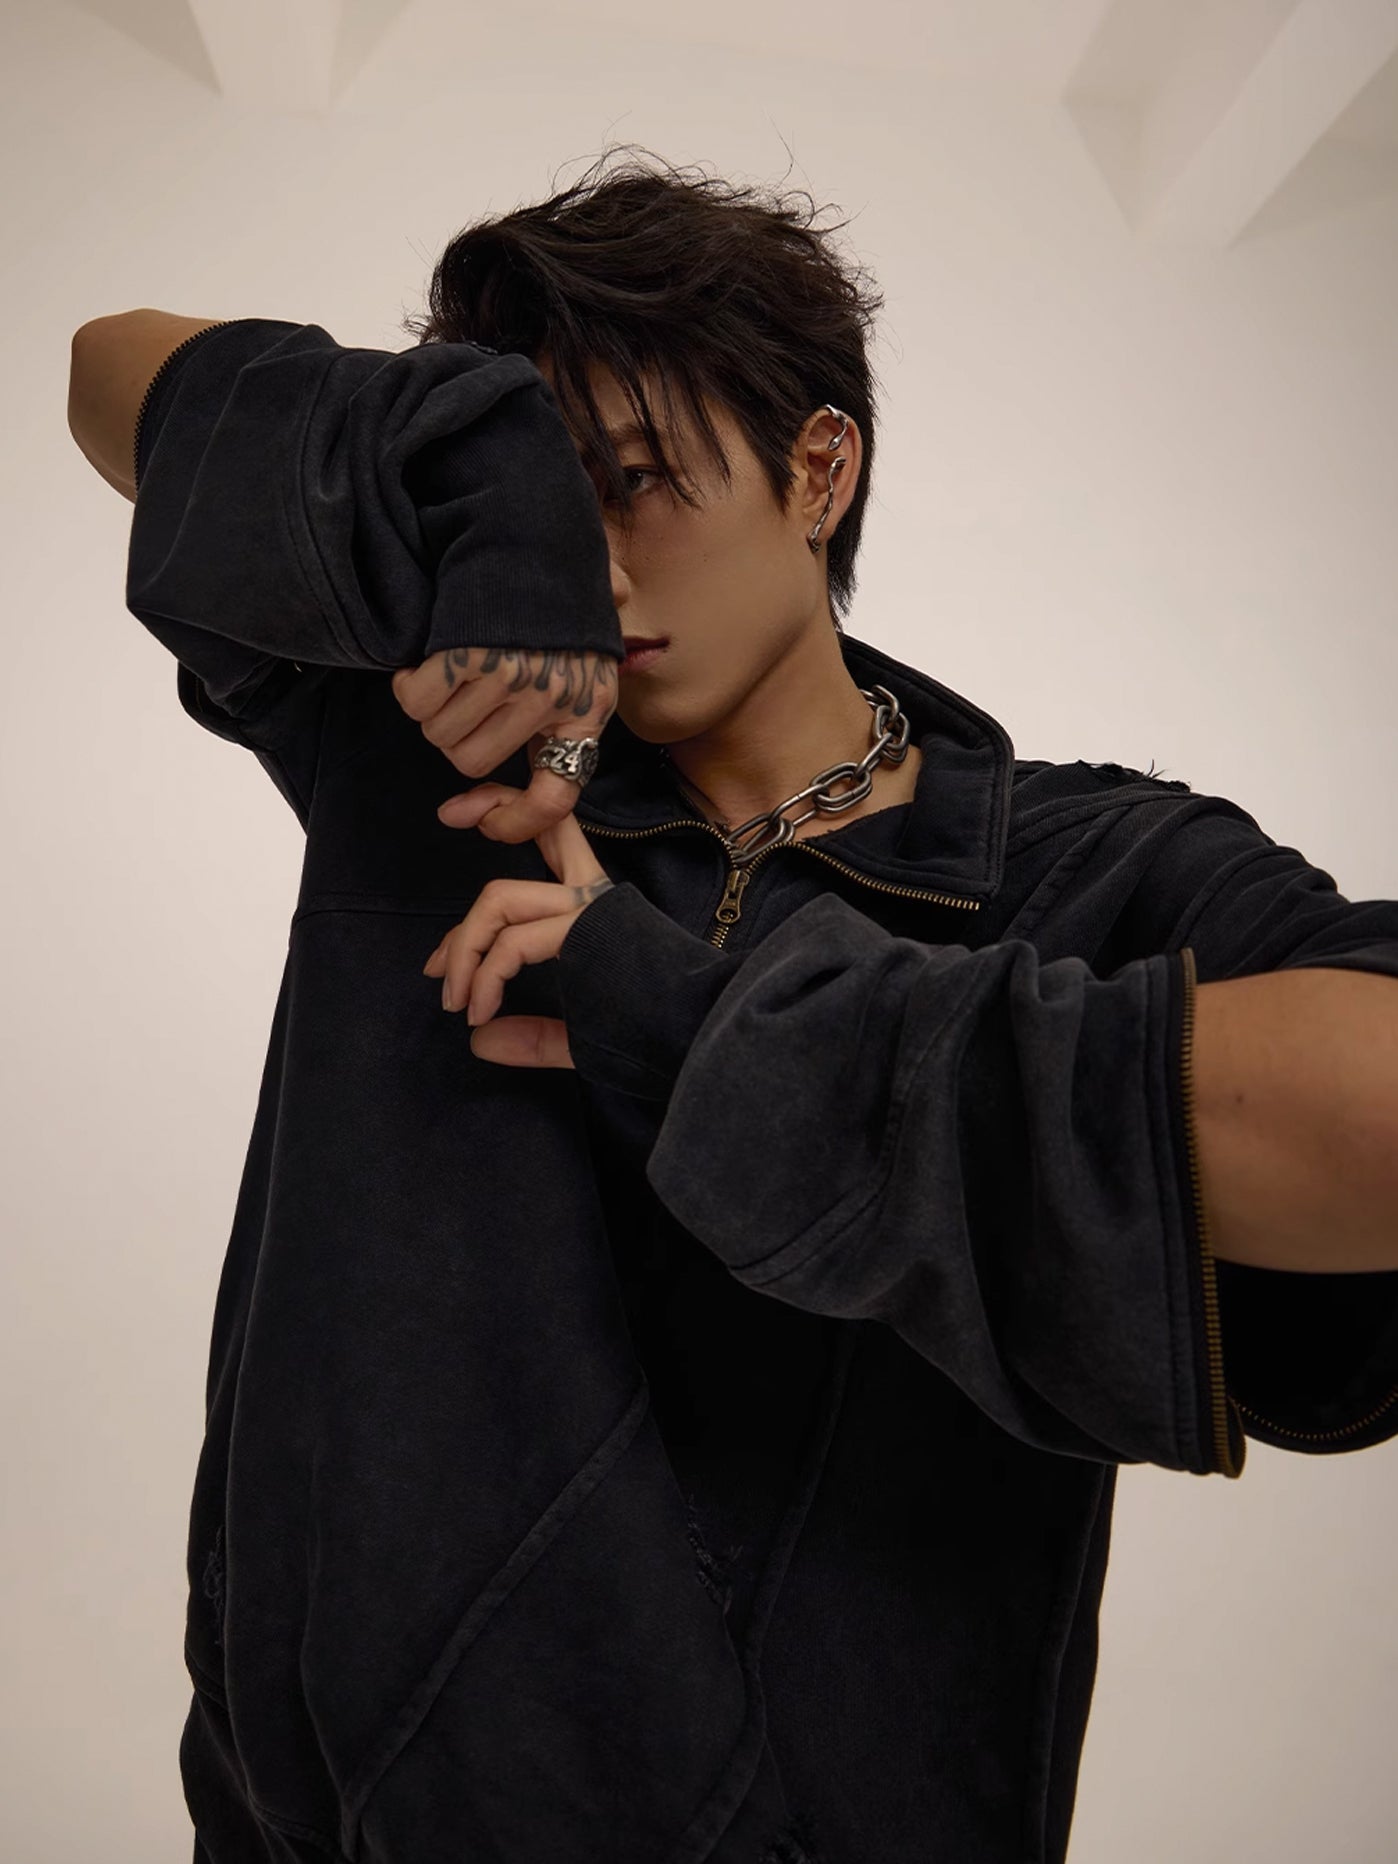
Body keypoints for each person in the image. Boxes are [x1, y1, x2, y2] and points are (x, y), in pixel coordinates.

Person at [68, 146, 1398, 1864]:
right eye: (545, 501)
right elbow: (116, 371)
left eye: (630, 485)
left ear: (816, 468)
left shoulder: (1085, 869)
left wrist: (703, 1034)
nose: (594, 569)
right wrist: (467, 481)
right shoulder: (443, 736)